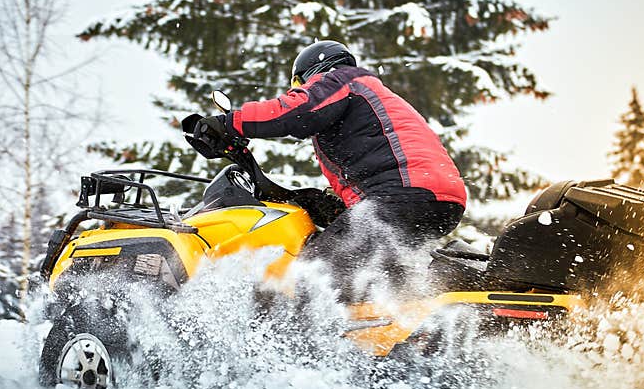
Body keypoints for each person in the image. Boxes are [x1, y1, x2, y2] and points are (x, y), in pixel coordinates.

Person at [194, 39, 467, 301]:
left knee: (310, 276)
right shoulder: (370, 98)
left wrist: (230, 123)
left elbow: (297, 110)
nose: (298, 92)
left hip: (402, 196)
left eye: (298, 87)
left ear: (308, 76)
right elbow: (377, 161)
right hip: (437, 201)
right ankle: (384, 336)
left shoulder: (343, 79)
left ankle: (298, 346)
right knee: (366, 282)